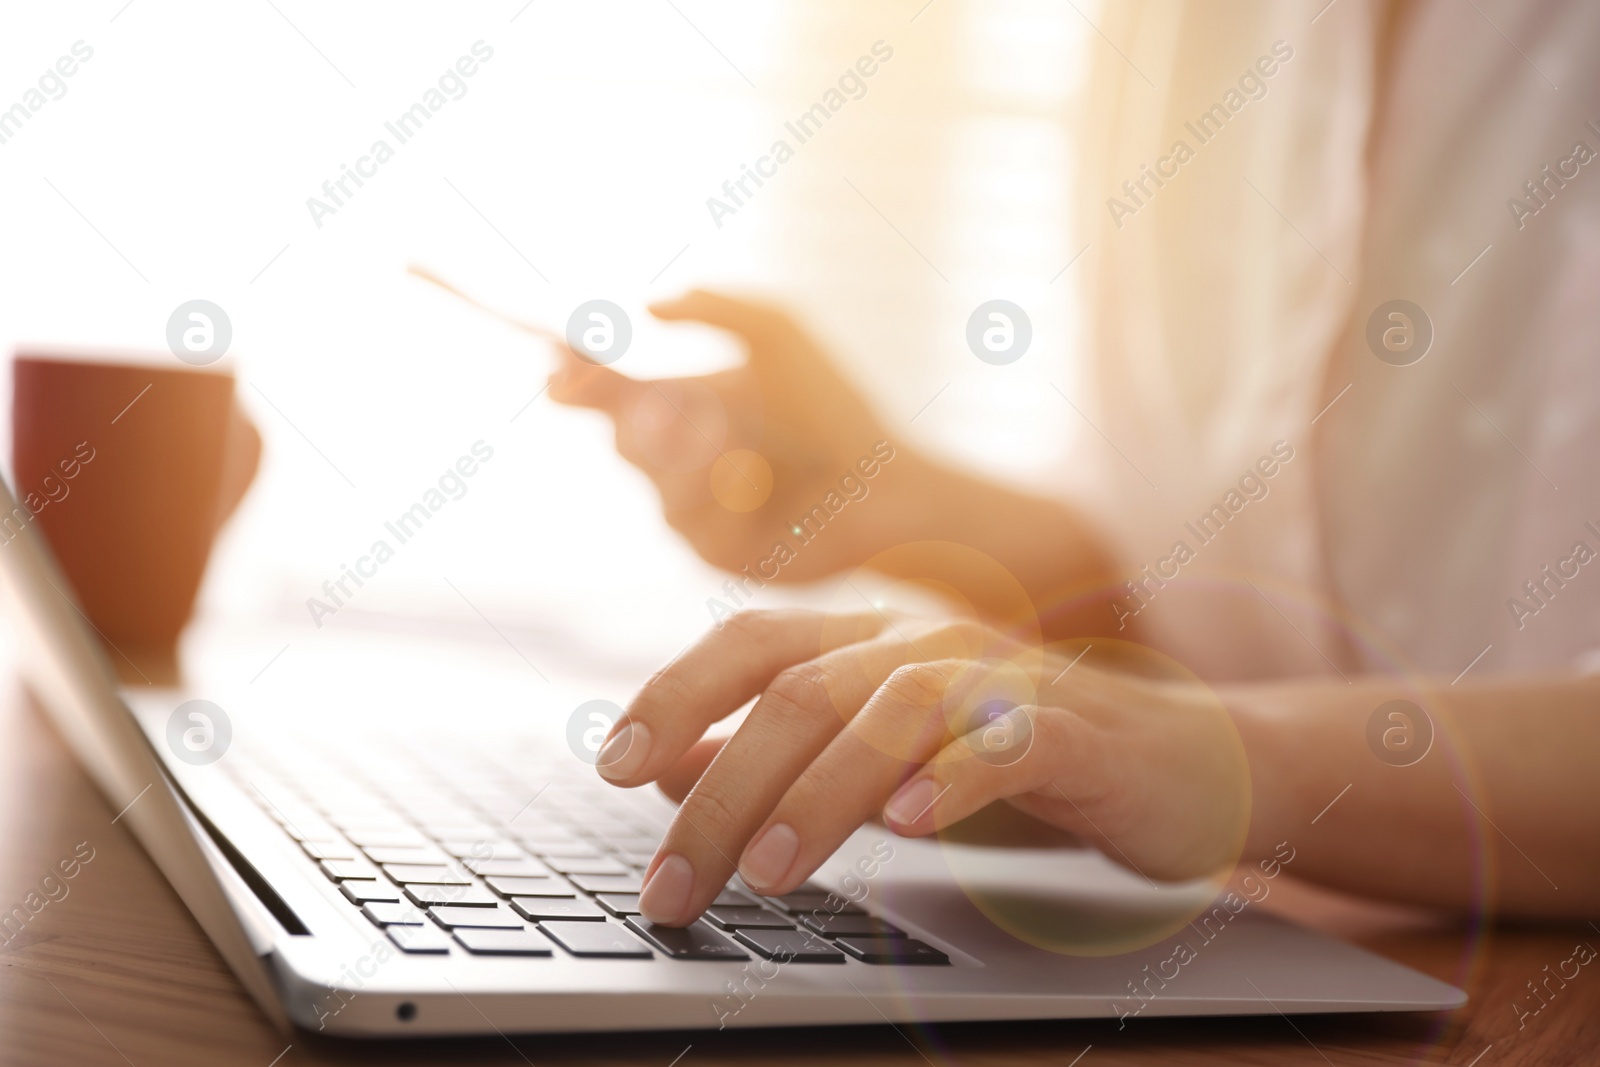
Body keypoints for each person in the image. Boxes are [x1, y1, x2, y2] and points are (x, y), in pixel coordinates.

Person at [550, 0, 1600, 929]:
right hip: (1252, 926)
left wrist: (1219, 758)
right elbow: (1181, 614)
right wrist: (919, 511)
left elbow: (1184, 726)